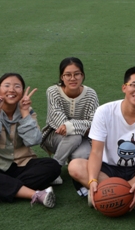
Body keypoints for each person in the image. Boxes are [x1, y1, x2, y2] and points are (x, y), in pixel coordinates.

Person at [68, 66, 135, 211]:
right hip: (108, 168)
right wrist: (93, 179)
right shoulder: (104, 111)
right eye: (134, 85)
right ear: (124, 87)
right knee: (75, 166)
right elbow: (96, 151)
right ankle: (128, 196)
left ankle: (107, 195)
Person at [0, 73, 61, 208]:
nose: (11, 90)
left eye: (17, 86)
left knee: (52, 166)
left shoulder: (27, 110)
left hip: (22, 163)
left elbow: (34, 140)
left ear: (22, 92)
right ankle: (34, 194)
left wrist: (24, 113)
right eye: (6, 86)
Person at [41, 57, 99, 189]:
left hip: (83, 138)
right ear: (62, 77)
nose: (72, 78)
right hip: (54, 136)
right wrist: (77, 127)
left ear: (82, 75)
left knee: (81, 155)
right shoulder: (53, 91)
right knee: (74, 136)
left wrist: (71, 126)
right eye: (68, 75)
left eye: (77, 74)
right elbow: (57, 120)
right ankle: (54, 170)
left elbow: (94, 123)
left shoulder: (91, 94)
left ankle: (66, 162)